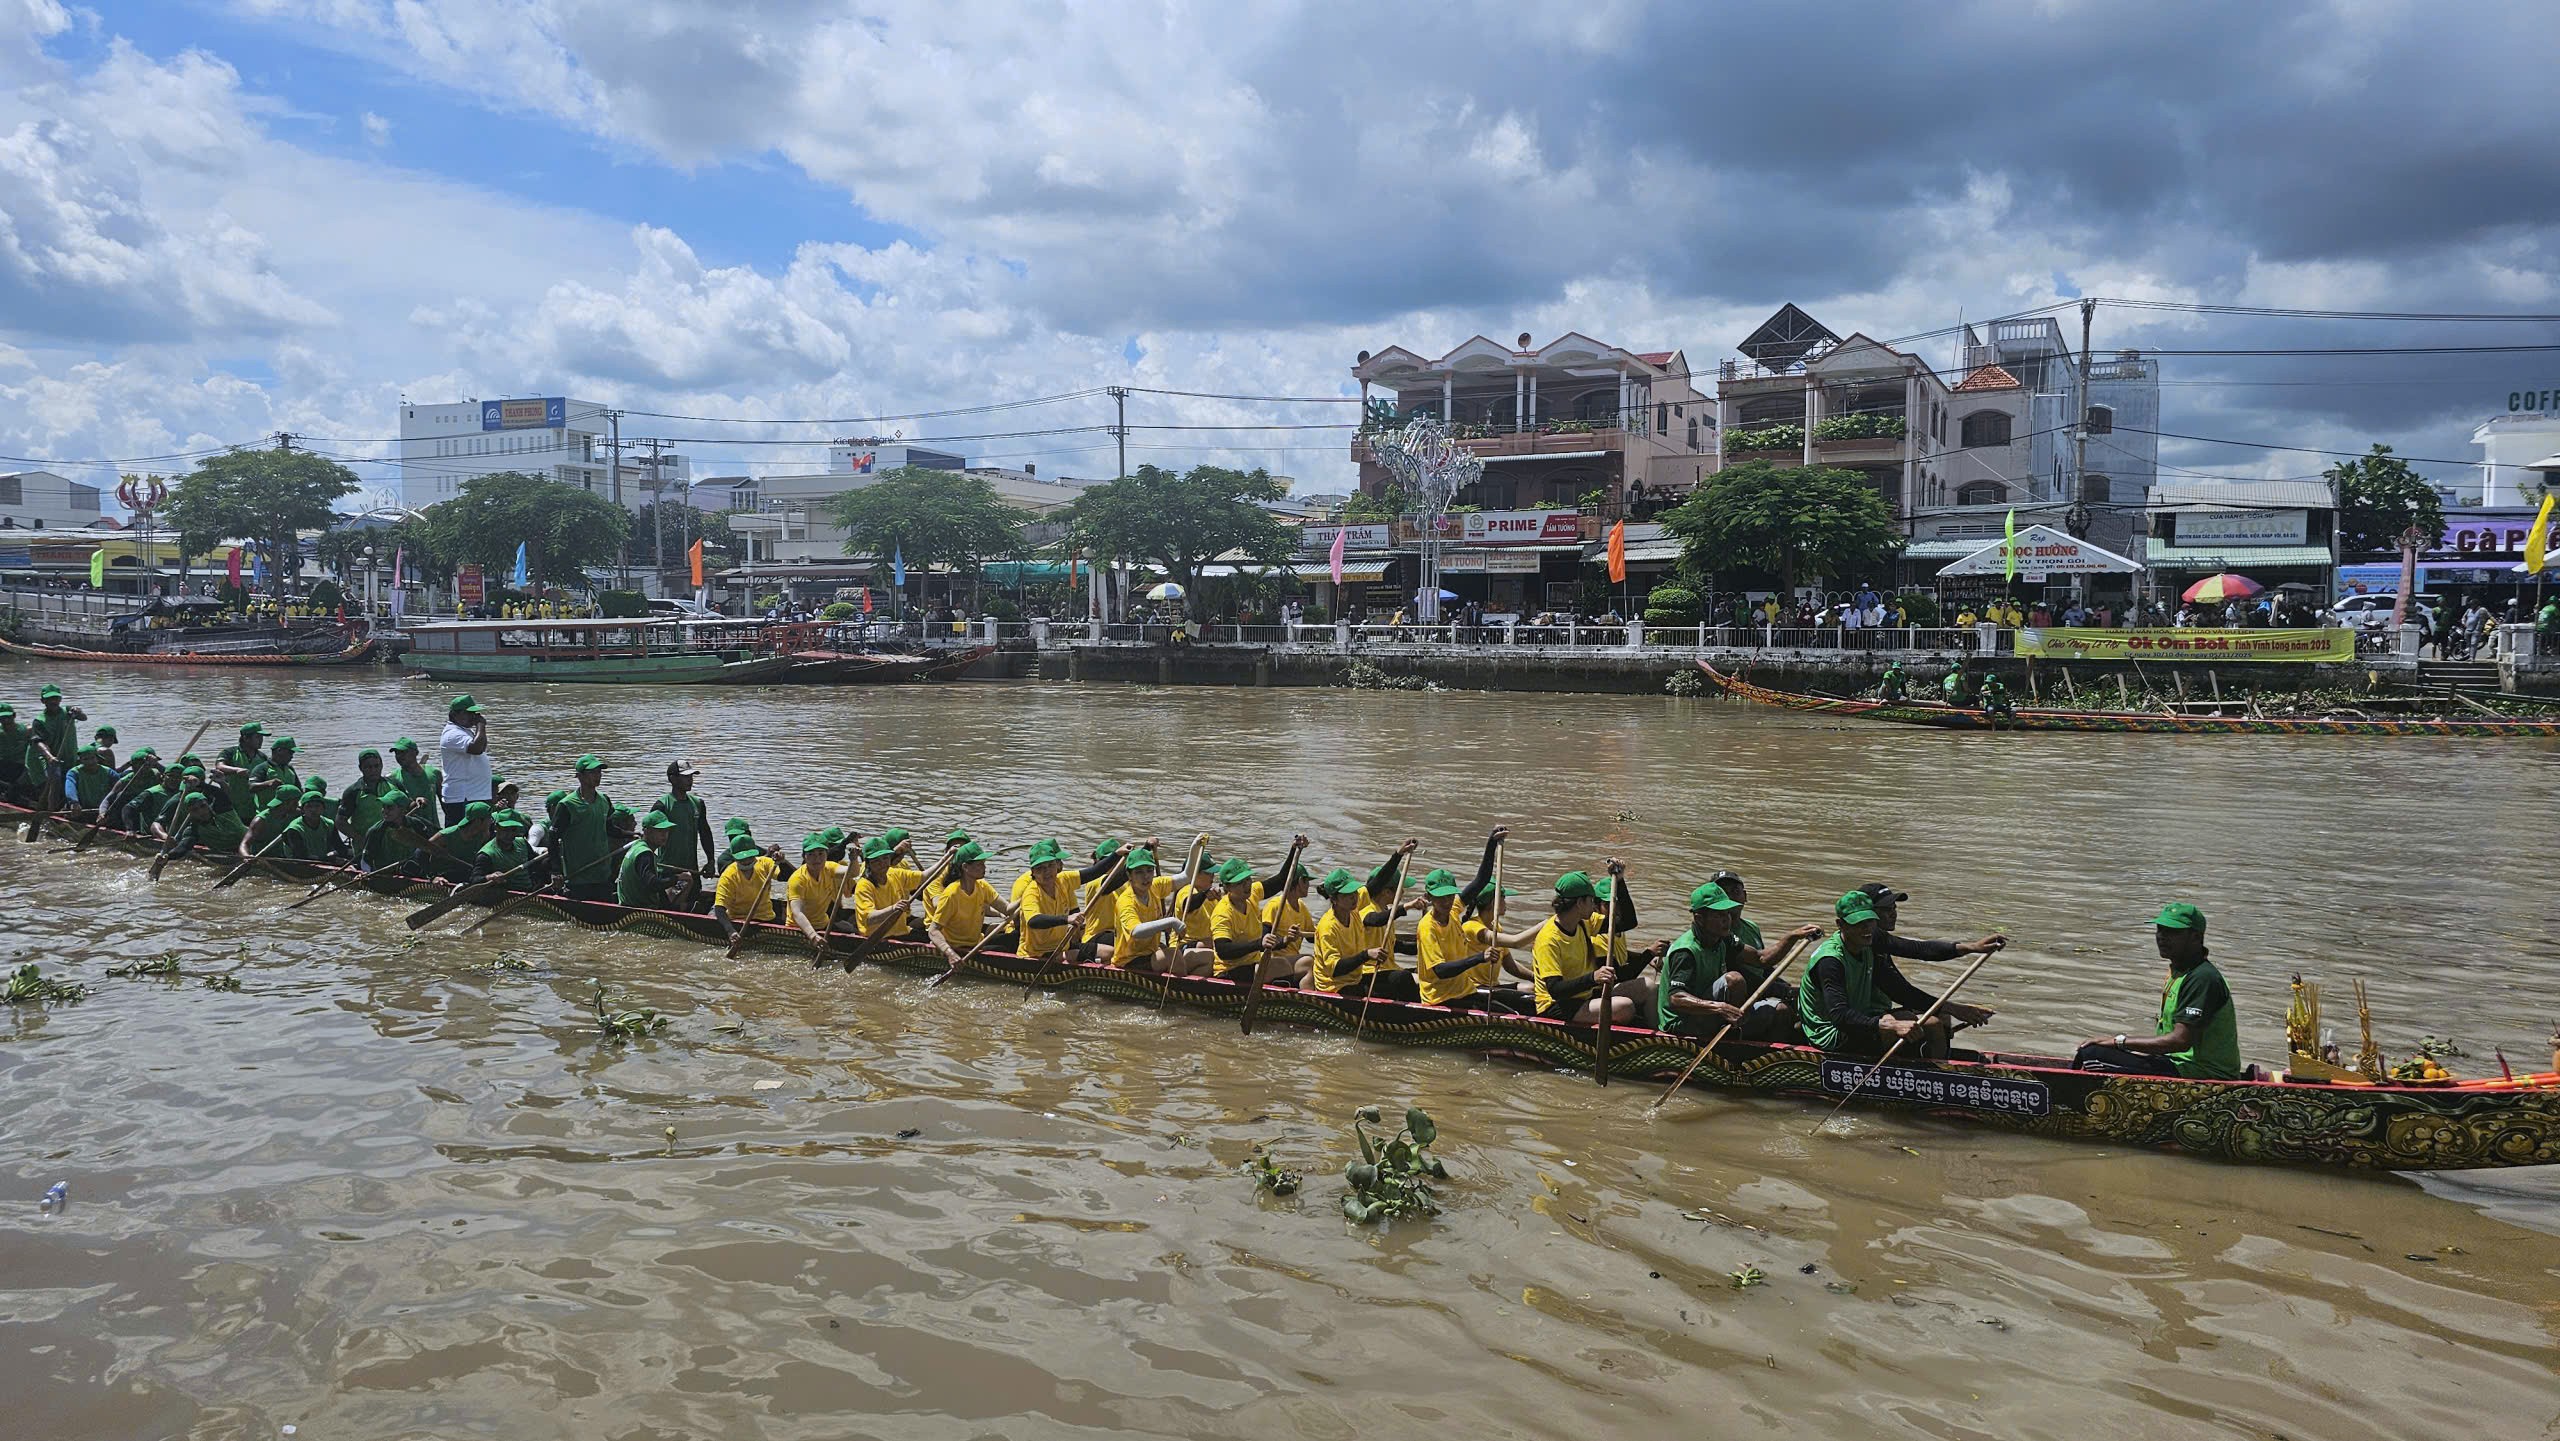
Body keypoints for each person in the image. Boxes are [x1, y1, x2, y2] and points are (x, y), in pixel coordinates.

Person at [1795, 890, 1993, 1057]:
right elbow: (1840, 1016)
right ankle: (1899, 1080)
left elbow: (1914, 958)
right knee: (1908, 1024)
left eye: (1870, 922)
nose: (1866, 929)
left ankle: (1939, 1072)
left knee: (1934, 1021)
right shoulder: (1830, 961)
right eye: (1858, 924)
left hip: (1861, 1017)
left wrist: (1971, 948)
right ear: (1841, 925)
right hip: (1829, 1032)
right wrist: (1890, 1026)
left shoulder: (1870, 941)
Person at [2072, 903, 2243, 1079]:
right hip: (2176, 1063)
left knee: (2092, 1055)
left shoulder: (2203, 978)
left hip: (2204, 1074)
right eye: (2160, 930)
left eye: (2172, 932)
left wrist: (2119, 1042)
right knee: (2092, 1051)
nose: (2162, 937)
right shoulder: (2179, 972)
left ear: (2196, 937)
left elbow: (2180, 1041)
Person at [1657, 881, 1820, 1042]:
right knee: (1734, 979)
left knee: (1782, 1011)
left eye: (1727, 913)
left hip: (1712, 1013)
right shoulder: (1686, 951)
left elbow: (1761, 958)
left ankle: (1755, 1055)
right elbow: (1676, 999)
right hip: (1683, 1023)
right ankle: (1735, 1038)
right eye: (1719, 915)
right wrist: (1719, 1007)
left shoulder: (1723, 938)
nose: (1726, 920)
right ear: (1699, 919)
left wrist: (1792, 937)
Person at [1529, 865, 1640, 1024]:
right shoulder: (1548, 940)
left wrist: (1620, 881)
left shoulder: (1584, 923)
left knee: (1646, 988)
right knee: (1625, 1007)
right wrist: (1593, 978)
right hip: (1555, 1006)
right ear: (1580, 903)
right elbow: (1556, 990)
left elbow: (1628, 921)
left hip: (1585, 995)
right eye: (1591, 900)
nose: (1594, 905)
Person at [1852, 883, 2009, 972]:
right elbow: (1918, 950)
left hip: (1878, 1011)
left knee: (1942, 1015)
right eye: (1887, 910)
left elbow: (1919, 948)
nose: (1893, 914)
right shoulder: (1868, 942)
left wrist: (1973, 947)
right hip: (1865, 1018)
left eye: (1894, 908)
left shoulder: (1879, 940)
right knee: (1935, 1020)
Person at [925, 841, 1015, 965]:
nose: (984, 868)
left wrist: (1023, 897)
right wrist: (950, 954)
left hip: (975, 944)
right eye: (979, 864)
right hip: (956, 948)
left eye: (984, 863)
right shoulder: (951, 894)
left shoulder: (983, 886)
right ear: (965, 867)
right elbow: (933, 930)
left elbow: (1008, 909)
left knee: (1009, 942)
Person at [548, 755, 618, 901]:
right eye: (592, 772)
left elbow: (610, 829)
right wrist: (555, 871)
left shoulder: (604, 800)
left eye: (599, 772)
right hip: (578, 875)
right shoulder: (567, 805)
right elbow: (553, 839)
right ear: (579, 776)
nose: (597, 776)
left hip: (602, 872)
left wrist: (633, 835)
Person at [649, 761, 718, 901]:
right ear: (673, 779)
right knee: (670, 908)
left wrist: (711, 861)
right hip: (668, 871)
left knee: (692, 904)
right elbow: (650, 837)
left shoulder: (698, 804)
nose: (690, 780)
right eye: (685, 777)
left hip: (691, 870)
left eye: (691, 776)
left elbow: (705, 833)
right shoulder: (662, 806)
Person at [713, 830, 786, 954]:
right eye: (742, 859)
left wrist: (782, 862)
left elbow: (786, 876)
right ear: (734, 857)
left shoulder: (765, 863)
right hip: (740, 921)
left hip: (767, 918)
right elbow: (719, 908)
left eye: (750, 858)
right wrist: (731, 932)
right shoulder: (728, 876)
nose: (747, 861)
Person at [785, 833, 849, 956]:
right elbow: (797, 913)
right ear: (804, 856)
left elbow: (851, 872)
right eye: (811, 855)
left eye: (821, 854)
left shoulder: (829, 868)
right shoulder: (797, 879)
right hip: (799, 928)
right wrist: (813, 935)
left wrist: (854, 860)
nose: (817, 859)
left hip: (822, 922)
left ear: (826, 855)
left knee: (852, 932)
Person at [437, 695, 492, 823]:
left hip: (473, 795)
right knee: (462, 837)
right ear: (456, 715)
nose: (474, 716)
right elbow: (477, 748)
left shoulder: (463, 731)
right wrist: (481, 725)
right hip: (462, 798)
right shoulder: (452, 733)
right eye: (470, 713)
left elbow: (482, 745)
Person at [617, 810, 676, 908]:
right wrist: (677, 879)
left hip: (629, 903)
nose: (664, 835)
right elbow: (652, 884)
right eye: (660, 831)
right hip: (638, 909)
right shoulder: (644, 854)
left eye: (667, 831)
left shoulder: (636, 846)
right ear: (647, 831)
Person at [387, 737, 442, 813]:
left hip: (432, 824)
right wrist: (415, 803)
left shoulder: (434, 773)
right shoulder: (392, 778)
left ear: (416, 752)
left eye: (403, 752)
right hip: (408, 823)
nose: (399, 756)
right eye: (397, 753)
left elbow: (444, 801)